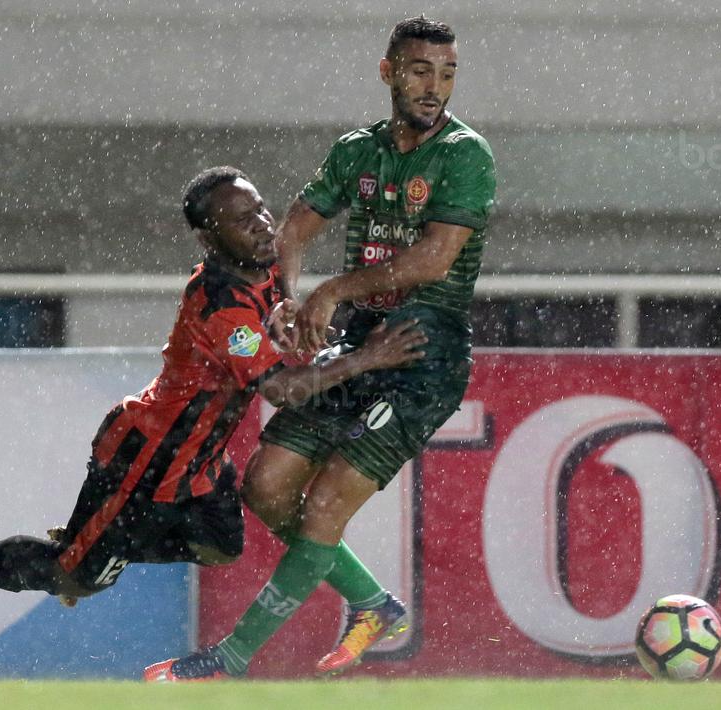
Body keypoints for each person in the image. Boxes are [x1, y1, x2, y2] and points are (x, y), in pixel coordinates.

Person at [0, 166, 427, 620]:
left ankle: (88, 542)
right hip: (144, 457)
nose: (263, 226)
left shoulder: (260, 272)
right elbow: (282, 390)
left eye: (260, 209)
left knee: (223, 545)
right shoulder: (220, 301)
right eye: (242, 221)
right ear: (209, 237)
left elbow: (283, 319)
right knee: (72, 577)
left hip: (199, 459)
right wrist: (368, 358)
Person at [146, 17, 496, 682]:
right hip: (359, 340)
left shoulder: (464, 154)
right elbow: (295, 231)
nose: (434, 86)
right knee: (266, 485)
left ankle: (231, 658)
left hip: (420, 356)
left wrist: (330, 290)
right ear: (388, 71)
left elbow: (433, 258)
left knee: (328, 503)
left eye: (446, 73)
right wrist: (281, 299)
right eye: (420, 70)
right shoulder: (355, 151)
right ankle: (373, 604)